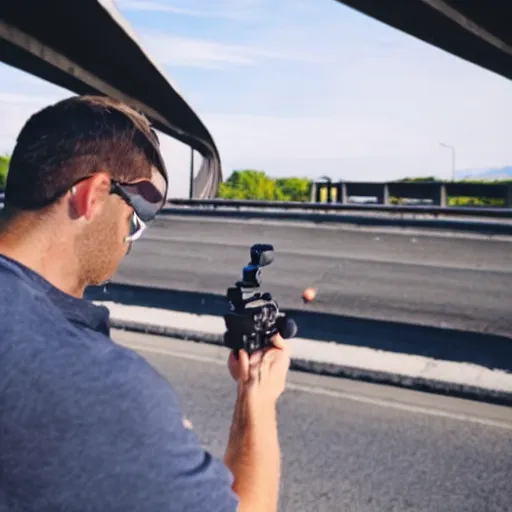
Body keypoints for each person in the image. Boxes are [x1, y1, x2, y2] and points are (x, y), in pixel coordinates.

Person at [0, 95, 291, 512]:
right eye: (137, 218)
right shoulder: (96, 383)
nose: (130, 238)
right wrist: (257, 397)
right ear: (93, 194)